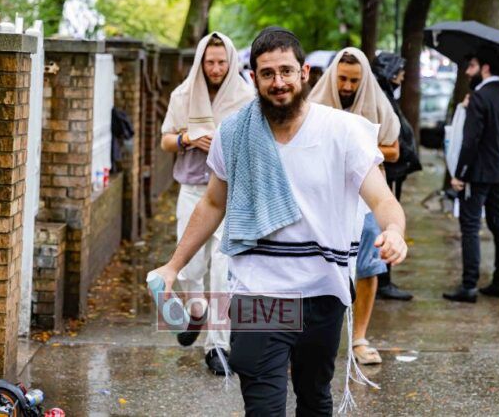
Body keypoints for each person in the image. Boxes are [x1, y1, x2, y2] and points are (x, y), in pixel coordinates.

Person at [152, 27, 408, 415]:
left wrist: (394, 230)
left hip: (322, 292)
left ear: (304, 73)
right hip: (258, 293)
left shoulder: (341, 131)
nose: (278, 82)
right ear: (253, 78)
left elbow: (382, 197)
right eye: (267, 73)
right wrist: (173, 266)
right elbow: (212, 203)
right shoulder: (234, 132)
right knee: (263, 408)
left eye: (286, 71)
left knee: (314, 398)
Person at [160, 31, 254, 373]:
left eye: (221, 62)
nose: (215, 69)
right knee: (188, 266)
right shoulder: (182, 94)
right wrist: (188, 139)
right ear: (200, 62)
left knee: (222, 266)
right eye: (210, 62)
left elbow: (256, 142)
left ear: (232, 62)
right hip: (192, 187)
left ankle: (218, 346)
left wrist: (224, 144)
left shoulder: (247, 97)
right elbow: (166, 140)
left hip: (230, 191)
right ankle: (196, 311)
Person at [308, 47, 401, 365]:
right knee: (315, 264)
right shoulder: (315, 105)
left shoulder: (378, 104)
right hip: (326, 196)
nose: (347, 86)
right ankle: (311, 336)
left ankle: (359, 337)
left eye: (354, 81)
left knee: (368, 266)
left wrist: (359, 146)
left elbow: (394, 150)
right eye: (343, 79)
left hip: (368, 196)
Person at [443, 44, 499, 303]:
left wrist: (460, 174)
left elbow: (470, 141)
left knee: (470, 226)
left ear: (485, 68)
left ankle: (469, 285)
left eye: (472, 66)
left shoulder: (480, 98)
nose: (467, 72)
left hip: (478, 172)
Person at [372, 52, 422, 301]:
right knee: (382, 226)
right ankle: (382, 279)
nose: (402, 78)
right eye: (399, 73)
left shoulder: (385, 98)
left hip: (392, 172)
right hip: (385, 173)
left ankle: (383, 278)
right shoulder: (382, 100)